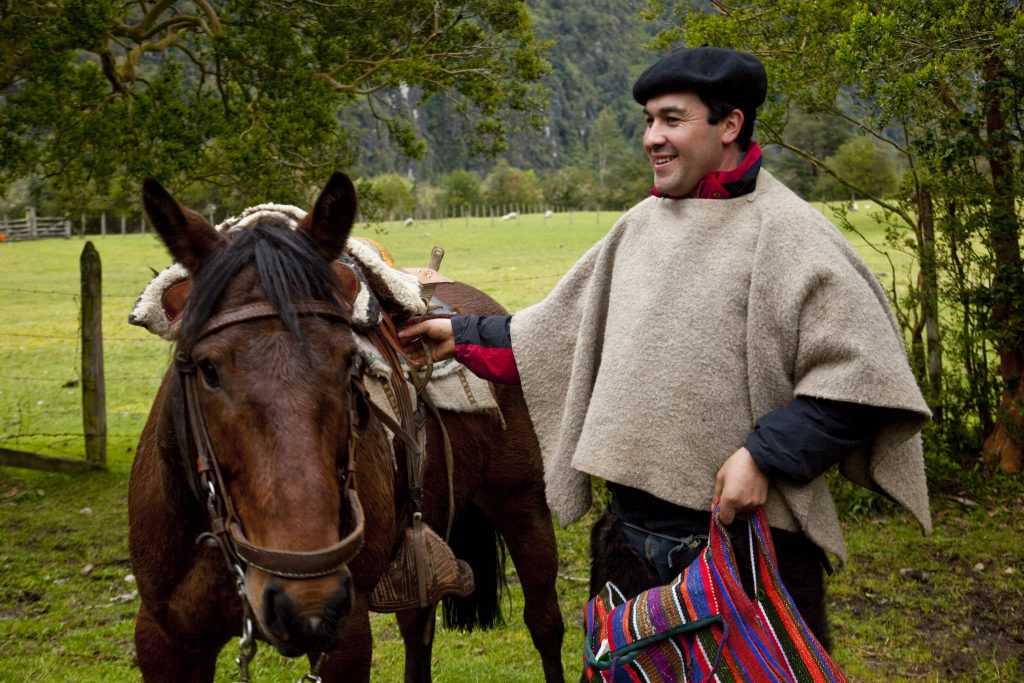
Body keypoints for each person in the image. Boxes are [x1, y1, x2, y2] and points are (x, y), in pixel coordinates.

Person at [400, 46, 931, 648]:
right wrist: (459, 335)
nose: (653, 137)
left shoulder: (795, 238)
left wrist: (765, 456)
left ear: (729, 125)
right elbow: (555, 338)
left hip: (753, 553)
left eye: (672, 119)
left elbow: (861, 388)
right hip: (626, 547)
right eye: (648, 121)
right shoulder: (639, 227)